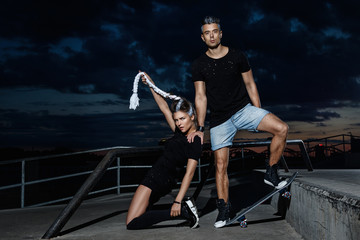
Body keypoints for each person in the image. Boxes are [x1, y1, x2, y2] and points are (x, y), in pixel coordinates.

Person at [188, 16, 289, 228]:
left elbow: (250, 84)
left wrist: (259, 113)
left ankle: (271, 172)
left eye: (215, 31)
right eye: (207, 32)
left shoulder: (237, 56)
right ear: (202, 37)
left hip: (244, 110)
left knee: (281, 128)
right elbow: (200, 97)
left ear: (221, 33)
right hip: (218, 121)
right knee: (221, 166)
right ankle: (224, 210)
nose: (212, 35)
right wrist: (199, 127)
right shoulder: (198, 65)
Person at [126, 72, 202, 230]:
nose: (179, 123)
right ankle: (183, 211)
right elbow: (163, 107)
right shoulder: (178, 132)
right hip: (156, 175)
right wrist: (151, 84)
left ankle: (183, 211)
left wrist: (177, 201)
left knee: (132, 223)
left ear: (192, 117)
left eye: (183, 119)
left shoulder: (195, 140)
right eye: (176, 120)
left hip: (160, 179)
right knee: (140, 215)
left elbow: (189, 173)